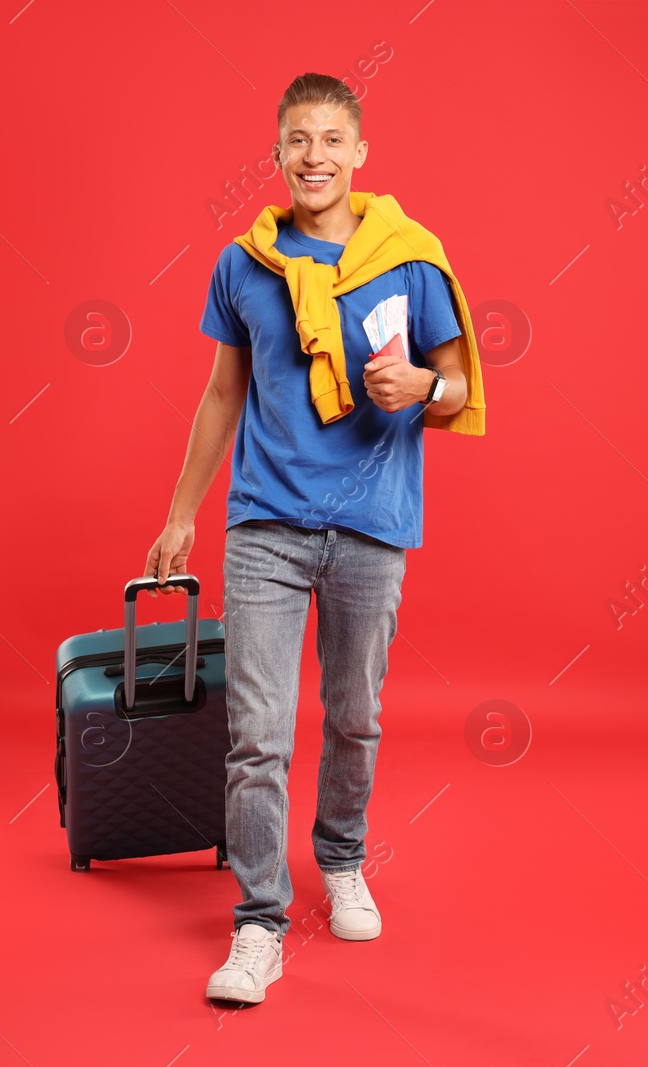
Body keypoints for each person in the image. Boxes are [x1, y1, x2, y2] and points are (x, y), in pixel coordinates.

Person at [143, 72, 486, 1006]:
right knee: (256, 733)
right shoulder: (243, 264)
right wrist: (181, 511)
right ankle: (259, 922)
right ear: (277, 153)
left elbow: (458, 383)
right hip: (265, 524)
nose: (315, 157)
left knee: (353, 716)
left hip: (372, 527)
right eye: (299, 140)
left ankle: (340, 860)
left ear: (361, 153)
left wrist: (420, 387)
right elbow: (223, 394)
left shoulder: (410, 260)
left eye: (333, 139)